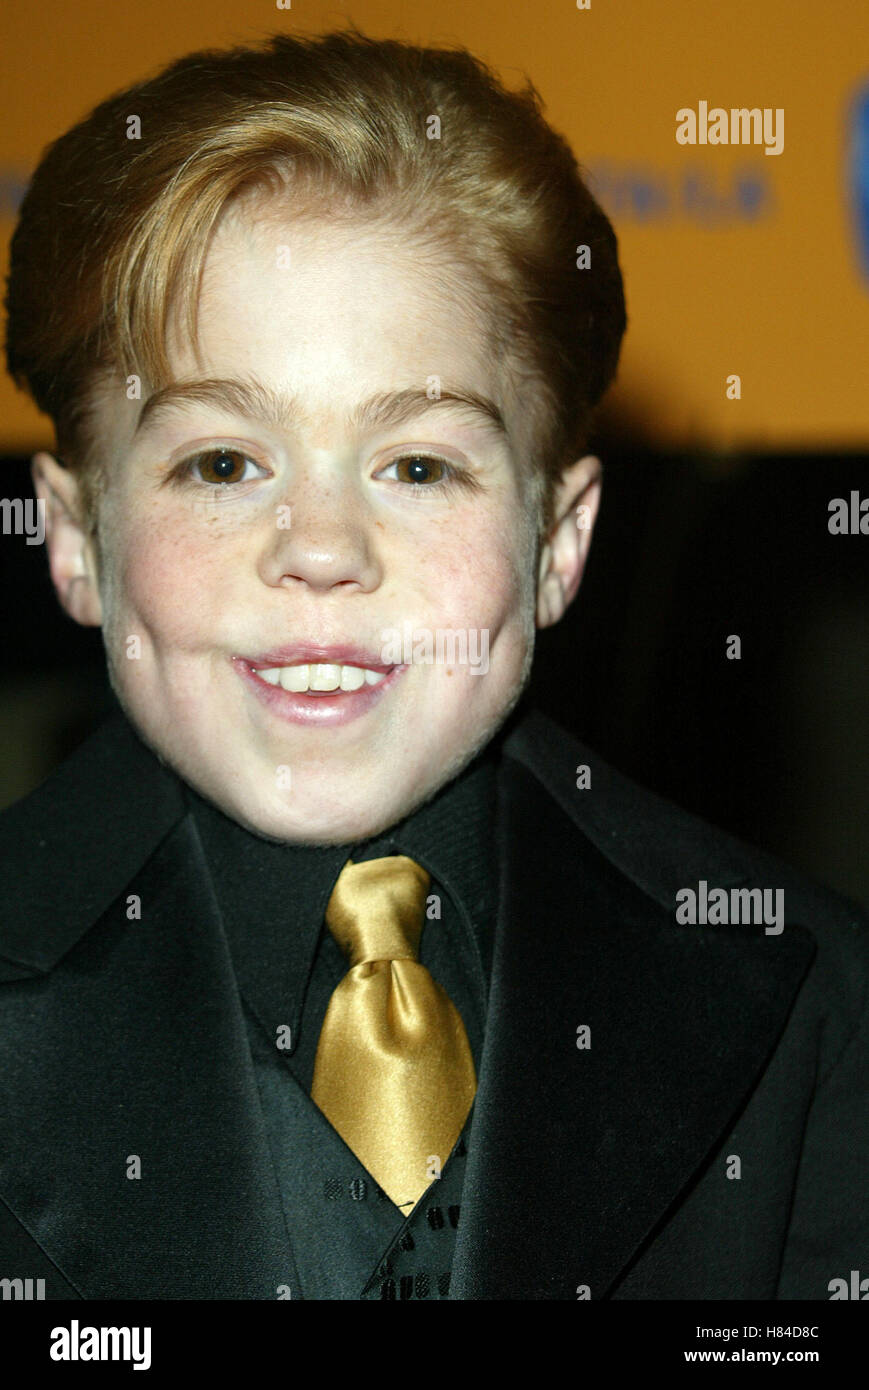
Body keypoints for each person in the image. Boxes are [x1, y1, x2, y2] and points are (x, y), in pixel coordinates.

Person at [1, 27, 866, 1301]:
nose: (321, 549)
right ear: (76, 539)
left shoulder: (814, 1001)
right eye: (223, 463)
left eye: (416, 466)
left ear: (557, 539)